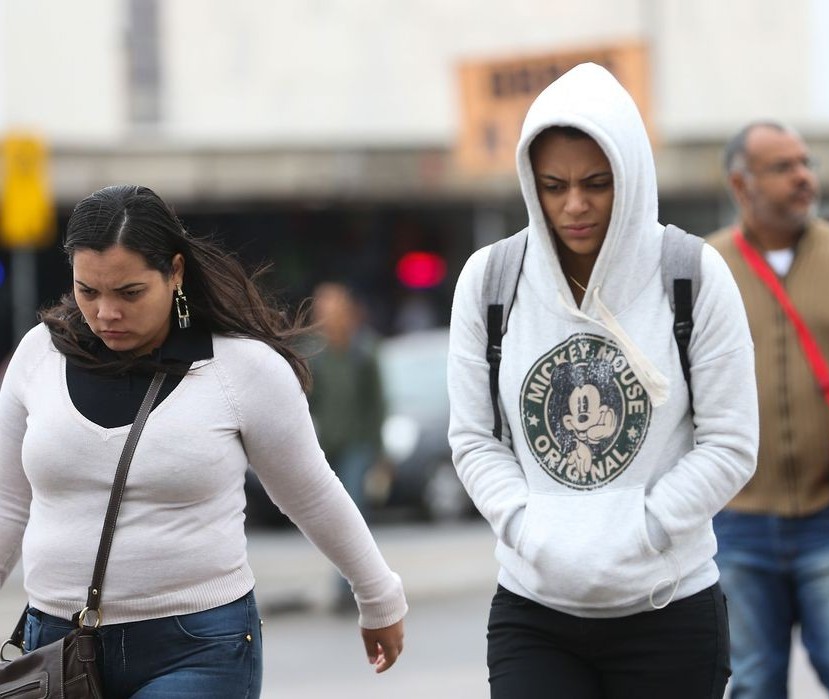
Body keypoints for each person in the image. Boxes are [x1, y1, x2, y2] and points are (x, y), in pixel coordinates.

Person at [0, 184, 407, 697]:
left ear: (174, 272)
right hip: (55, 647)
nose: (105, 313)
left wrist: (378, 596)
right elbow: (8, 505)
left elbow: (310, 491)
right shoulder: (38, 356)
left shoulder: (243, 369)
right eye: (88, 291)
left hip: (196, 647)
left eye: (129, 293)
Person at [446, 62, 758, 698]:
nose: (575, 205)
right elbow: (475, 438)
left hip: (669, 608)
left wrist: (646, 526)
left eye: (596, 183)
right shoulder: (490, 280)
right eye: (554, 186)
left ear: (632, 176)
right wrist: (529, 527)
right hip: (535, 611)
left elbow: (731, 442)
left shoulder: (692, 274)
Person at [707, 121, 829, 697]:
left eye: (804, 162)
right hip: (737, 523)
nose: (803, 176)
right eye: (783, 167)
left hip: (828, 517)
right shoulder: (704, 269)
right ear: (742, 184)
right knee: (753, 683)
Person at [306, 281, 386, 611]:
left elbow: (378, 404)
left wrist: (380, 454)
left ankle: (348, 587)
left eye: (334, 310)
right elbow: (307, 403)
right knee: (328, 519)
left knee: (351, 514)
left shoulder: (363, 351)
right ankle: (353, 582)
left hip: (358, 446)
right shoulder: (315, 354)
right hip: (326, 448)